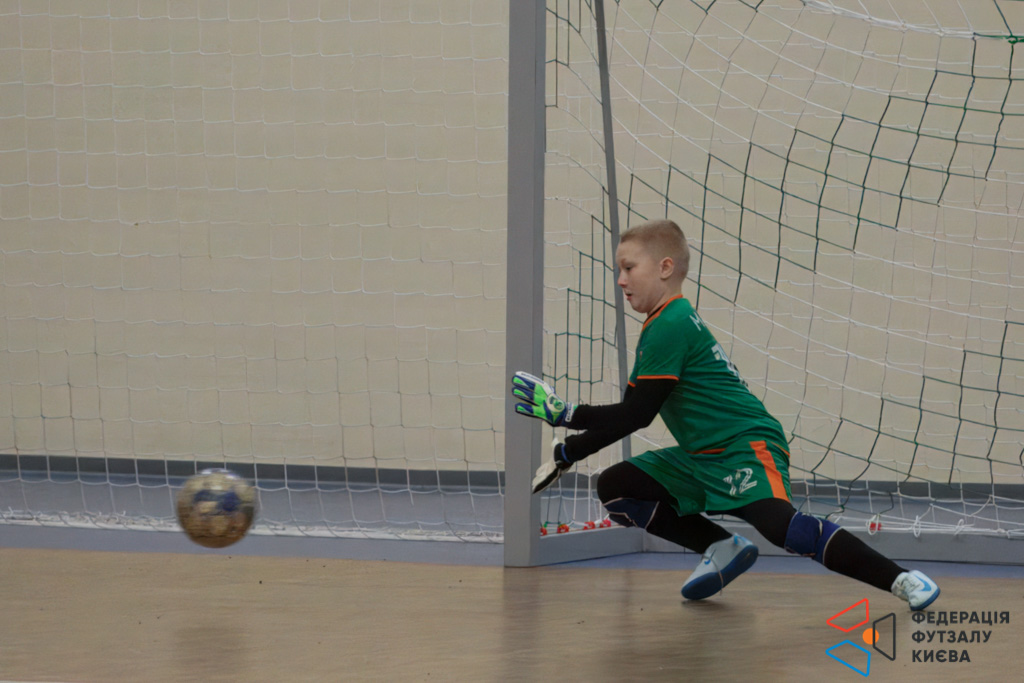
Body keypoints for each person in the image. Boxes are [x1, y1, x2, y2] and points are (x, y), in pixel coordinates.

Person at [511, 219, 939, 611]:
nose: (620, 279)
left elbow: (637, 415)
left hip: (744, 445)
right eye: (618, 270)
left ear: (664, 268)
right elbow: (628, 415)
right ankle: (722, 547)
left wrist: (566, 414)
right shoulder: (660, 324)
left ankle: (902, 580)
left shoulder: (671, 324)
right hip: (702, 455)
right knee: (617, 487)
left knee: (784, 529)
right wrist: (569, 452)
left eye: (628, 267)